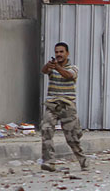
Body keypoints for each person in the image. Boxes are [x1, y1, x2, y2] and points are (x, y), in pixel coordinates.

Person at [40, 42, 88, 172]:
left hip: (67, 105)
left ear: (67, 53)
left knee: (72, 138)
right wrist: (49, 66)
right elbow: (44, 71)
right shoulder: (52, 67)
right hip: (52, 104)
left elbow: (68, 75)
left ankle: (83, 161)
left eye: (61, 52)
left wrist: (57, 68)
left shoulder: (73, 67)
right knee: (46, 131)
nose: (59, 54)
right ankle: (49, 162)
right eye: (57, 52)